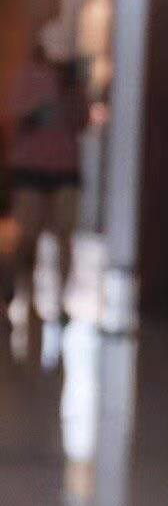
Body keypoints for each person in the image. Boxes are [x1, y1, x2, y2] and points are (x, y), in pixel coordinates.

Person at [6, 21, 90, 326]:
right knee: (28, 237)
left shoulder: (74, 83)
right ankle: (27, 297)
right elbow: (13, 116)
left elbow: (82, 120)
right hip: (30, 167)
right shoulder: (28, 77)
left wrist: (72, 91)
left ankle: (61, 299)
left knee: (65, 233)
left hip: (65, 167)